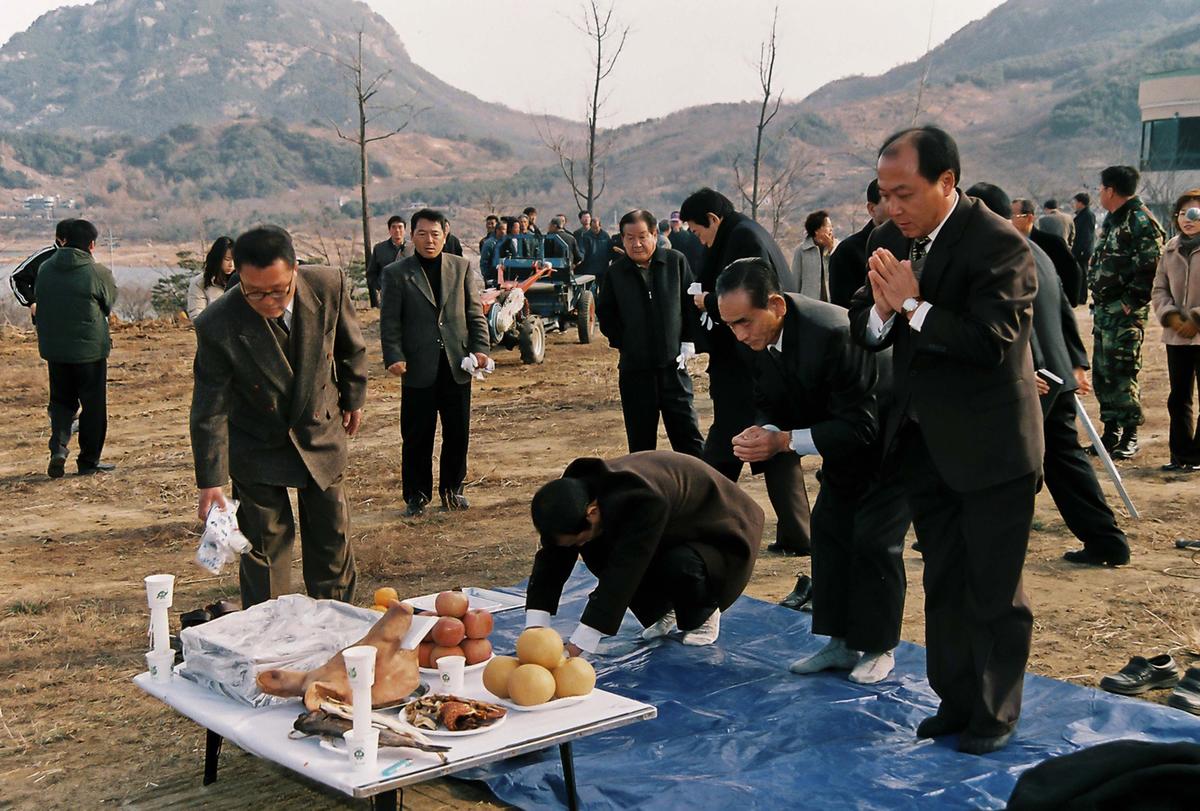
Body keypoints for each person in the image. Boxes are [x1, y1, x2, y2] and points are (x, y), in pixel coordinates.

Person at [848, 126, 1042, 754]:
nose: (891, 207)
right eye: (884, 194)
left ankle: (993, 712)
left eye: (904, 194)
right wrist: (881, 312)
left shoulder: (998, 244)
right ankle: (953, 700)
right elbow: (865, 324)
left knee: (993, 588)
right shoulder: (887, 241)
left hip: (992, 449)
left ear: (946, 182)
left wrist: (911, 307)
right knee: (944, 581)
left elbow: (990, 343)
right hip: (922, 443)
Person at [716, 258, 907, 685]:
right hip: (840, 438)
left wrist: (783, 441)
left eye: (745, 322)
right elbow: (769, 396)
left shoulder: (836, 334)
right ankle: (840, 641)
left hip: (894, 440)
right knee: (830, 528)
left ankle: (879, 646)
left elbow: (863, 426)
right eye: (731, 326)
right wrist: (762, 429)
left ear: (777, 305)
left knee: (876, 540)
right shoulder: (752, 337)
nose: (740, 335)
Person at [190, 226, 368, 608]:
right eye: (253, 291)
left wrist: (353, 397)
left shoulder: (327, 285)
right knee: (264, 551)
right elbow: (210, 407)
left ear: (296, 270)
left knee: (331, 542)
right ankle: (270, 633)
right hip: (257, 441)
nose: (267, 300)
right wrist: (211, 480)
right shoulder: (218, 323)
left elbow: (350, 346)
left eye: (278, 290)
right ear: (237, 276)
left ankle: (336, 625)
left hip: (319, 427)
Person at [975, 182, 1131, 568]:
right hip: (1052, 371)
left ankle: (989, 545)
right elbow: (1062, 309)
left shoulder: (1000, 253)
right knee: (1064, 461)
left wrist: (1033, 370)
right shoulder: (1035, 250)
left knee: (1011, 463)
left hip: (1035, 376)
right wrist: (1072, 362)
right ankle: (1106, 540)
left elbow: (1016, 319)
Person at [678, 187, 812, 556]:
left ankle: (700, 523)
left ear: (713, 220)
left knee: (729, 442)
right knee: (771, 441)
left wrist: (707, 301)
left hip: (750, 362)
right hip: (756, 359)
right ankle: (797, 534)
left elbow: (745, 301)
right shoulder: (744, 232)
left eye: (698, 231)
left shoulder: (742, 239)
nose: (700, 241)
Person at [524, 451, 764, 654]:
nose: (576, 548)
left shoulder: (641, 499)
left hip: (723, 532)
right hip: (672, 528)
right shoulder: (571, 497)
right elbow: (553, 557)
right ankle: (665, 609)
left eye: (576, 540)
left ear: (592, 512)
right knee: (596, 549)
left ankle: (703, 613)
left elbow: (624, 570)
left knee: (676, 563)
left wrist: (582, 641)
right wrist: (536, 630)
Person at [380, 209, 490, 516]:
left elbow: (474, 314)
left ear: (446, 234)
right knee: (417, 434)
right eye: (422, 234)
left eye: (435, 234)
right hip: (417, 367)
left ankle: (453, 489)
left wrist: (481, 349)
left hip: (457, 364)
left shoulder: (461, 267)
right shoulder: (396, 273)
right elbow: (389, 322)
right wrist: (394, 355)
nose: (429, 240)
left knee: (457, 432)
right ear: (412, 235)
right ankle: (416, 495)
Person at [596, 209, 705, 457]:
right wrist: (626, 342)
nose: (637, 244)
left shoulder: (675, 262)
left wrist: (688, 340)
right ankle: (644, 493)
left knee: (688, 437)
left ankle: (698, 491)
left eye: (643, 236)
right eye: (630, 238)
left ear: (655, 234)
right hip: (636, 371)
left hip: (673, 368)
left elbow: (691, 305)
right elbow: (606, 314)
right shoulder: (616, 273)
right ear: (622, 240)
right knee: (641, 444)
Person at [1088, 165, 1166, 459]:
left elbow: (1151, 269)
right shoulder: (1113, 220)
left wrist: (1129, 302)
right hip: (1105, 311)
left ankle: (1130, 434)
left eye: (1101, 188)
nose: (1099, 193)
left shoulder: (1140, 221)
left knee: (1123, 371)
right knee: (1104, 373)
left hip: (1125, 314)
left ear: (1110, 190)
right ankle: (1109, 434)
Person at [35, 218, 119, 478]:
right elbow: (108, 303)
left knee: (61, 402)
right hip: (89, 352)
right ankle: (88, 462)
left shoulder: (45, 269)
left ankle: (58, 449)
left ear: (62, 240)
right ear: (91, 245)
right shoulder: (98, 272)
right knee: (93, 406)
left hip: (55, 350)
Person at [1151, 189, 1200, 472]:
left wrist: (1196, 319)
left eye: (1194, 213)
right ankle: (1180, 454)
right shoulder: (1170, 249)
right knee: (1178, 397)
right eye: (1182, 214)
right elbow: (1159, 288)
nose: (1187, 219)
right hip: (1177, 336)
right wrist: (1170, 316)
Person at [829, 180, 889, 308]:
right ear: (872, 209)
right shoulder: (847, 252)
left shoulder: (917, 243)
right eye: (890, 200)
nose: (900, 207)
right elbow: (843, 311)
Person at [1013, 198, 1083, 307]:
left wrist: (1066, 303)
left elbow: (1073, 271)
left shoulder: (1052, 243)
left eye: (1014, 216)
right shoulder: (1009, 244)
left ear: (1029, 218)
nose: (1010, 220)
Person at [11, 217, 73, 323]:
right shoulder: (42, 257)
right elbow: (17, 277)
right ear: (62, 240)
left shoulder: (84, 258)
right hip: (48, 321)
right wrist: (32, 302)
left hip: (80, 319)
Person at [788, 210, 838, 300]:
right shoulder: (802, 250)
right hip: (809, 305)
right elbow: (795, 281)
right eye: (828, 226)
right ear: (817, 230)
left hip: (834, 304)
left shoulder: (839, 248)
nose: (831, 229)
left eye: (831, 226)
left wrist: (831, 249)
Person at [187, 236, 235, 320]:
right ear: (217, 258)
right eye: (227, 259)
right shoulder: (199, 283)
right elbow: (197, 317)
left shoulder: (243, 280)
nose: (231, 264)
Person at [365, 216, 409, 308]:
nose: (397, 230)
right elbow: (371, 273)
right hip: (387, 295)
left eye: (400, 227)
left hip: (409, 294)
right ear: (389, 230)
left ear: (405, 230)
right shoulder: (380, 248)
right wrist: (380, 286)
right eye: (394, 227)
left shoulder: (413, 248)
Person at [1072, 193, 1096, 302]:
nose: (1074, 204)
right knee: (1080, 272)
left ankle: (1082, 297)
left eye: (1076, 202)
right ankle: (1080, 295)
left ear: (1081, 203)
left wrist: (1082, 249)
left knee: (1082, 272)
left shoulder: (1087, 215)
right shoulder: (1082, 215)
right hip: (1081, 248)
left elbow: (1087, 235)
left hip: (1083, 250)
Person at [667, 210, 706, 277]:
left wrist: (678, 234)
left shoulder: (687, 235)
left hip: (687, 263)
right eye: (673, 222)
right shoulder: (668, 235)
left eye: (676, 222)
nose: (675, 224)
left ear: (681, 222)